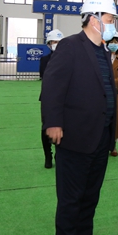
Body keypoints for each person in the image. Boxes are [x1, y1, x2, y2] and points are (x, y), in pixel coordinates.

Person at [41, 0, 118, 235]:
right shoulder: (70, 46)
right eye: (110, 19)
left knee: (90, 196)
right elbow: (52, 86)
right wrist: (53, 123)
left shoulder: (103, 51)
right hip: (75, 137)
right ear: (95, 19)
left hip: (100, 136)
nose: (113, 24)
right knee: (70, 200)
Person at [39, 28, 64, 169]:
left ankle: (58, 155)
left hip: (65, 98)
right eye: (54, 42)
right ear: (49, 44)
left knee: (64, 127)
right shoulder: (44, 60)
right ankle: (47, 156)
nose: (56, 44)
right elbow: (44, 77)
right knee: (46, 127)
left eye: (59, 42)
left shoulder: (70, 59)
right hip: (48, 98)